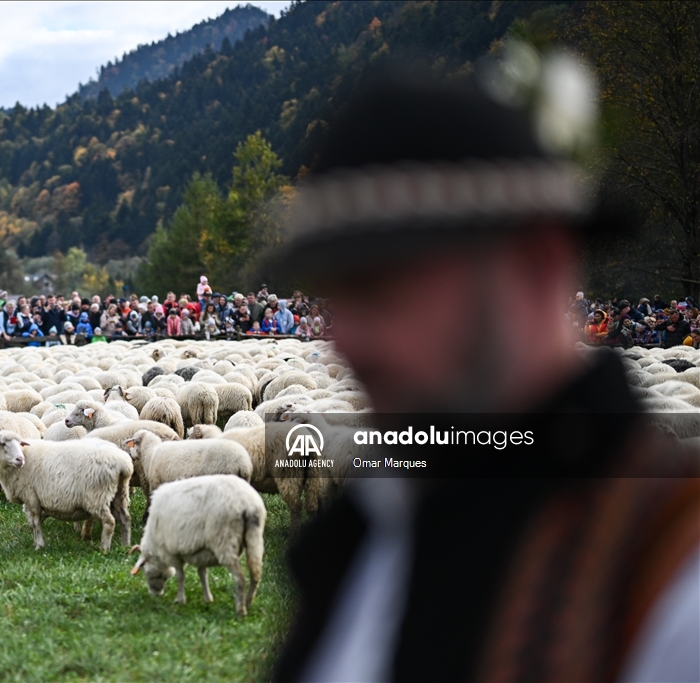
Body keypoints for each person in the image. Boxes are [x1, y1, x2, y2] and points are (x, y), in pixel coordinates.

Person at [271, 74, 698, 683]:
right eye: (334, 294)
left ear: (537, 262)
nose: (345, 339)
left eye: (383, 286)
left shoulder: (670, 580)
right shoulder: (372, 533)